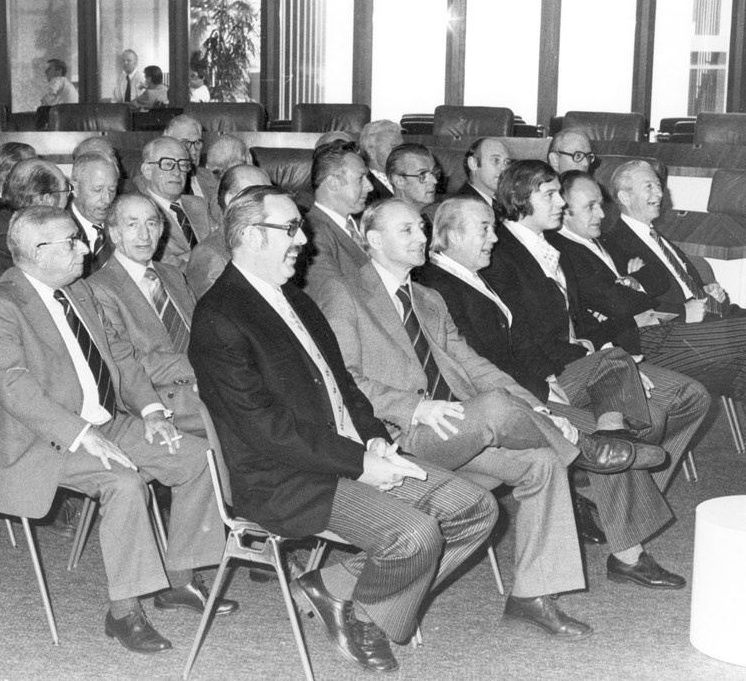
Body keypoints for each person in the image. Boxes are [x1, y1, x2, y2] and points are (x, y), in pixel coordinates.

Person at [188, 185, 497, 673]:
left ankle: (337, 590)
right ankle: (369, 618)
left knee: (476, 508)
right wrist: (359, 463)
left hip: (345, 451)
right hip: (284, 476)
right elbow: (265, 428)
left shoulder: (296, 298)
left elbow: (343, 384)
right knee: (415, 535)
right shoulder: (219, 316)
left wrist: (374, 436)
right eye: (290, 229)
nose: (303, 242)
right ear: (249, 235)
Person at [321, 197, 612, 639]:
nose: (421, 237)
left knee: (543, 462)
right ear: (373, 240)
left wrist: (536, 408)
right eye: (407, 231)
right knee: (497, 408)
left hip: (454, 427)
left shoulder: (428, 298)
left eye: (421, 228)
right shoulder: (345, 291)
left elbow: (474, 366)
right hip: (400, 434)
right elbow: (342, 376)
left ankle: (532, 594)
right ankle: (584, 449)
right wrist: (412, 406)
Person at [0, 205, 233, 654]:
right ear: (37, 251)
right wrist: (80, 432)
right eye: (72, 241)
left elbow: (121, 357)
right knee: (125, 483)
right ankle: (124, 610)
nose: (86, 248)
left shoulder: (78, 291)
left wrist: (151, 411)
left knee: (196, 458)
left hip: (108, 421)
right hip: (41, 439)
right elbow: (13, 387)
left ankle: (179, 577)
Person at [419, 196, 694, 588]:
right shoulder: (436, 287)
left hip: (534, 379)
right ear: (451, 235)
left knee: (614, 360)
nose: (494, 238)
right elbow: (473, 364)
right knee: (605, 439)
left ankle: (615, 435)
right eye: (484, 229)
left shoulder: (478, 275)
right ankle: (628, 555)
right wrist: (538, 387)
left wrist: (548, 373)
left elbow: (522, 339)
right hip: (501, 399)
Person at [484, 160, 711, 495]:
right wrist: (605, 360)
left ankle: (602, 490)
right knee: (647, 418)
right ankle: (611, 509)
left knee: (690, 397)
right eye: (551, 195)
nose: (560, 203)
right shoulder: (501, 253)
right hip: (551, 371)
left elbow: (582, 319)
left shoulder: (548, 247)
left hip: (588, 356)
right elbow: (520, 337)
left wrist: (608, 354)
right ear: (521, 198)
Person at [560, 163, 746, 404]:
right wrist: (639, 287)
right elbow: (619, 303)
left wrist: (636, 283)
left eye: (659, 185)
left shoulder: (628, 240)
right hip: (664, 331)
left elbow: (657, 277)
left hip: (701, 319)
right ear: (625, 197)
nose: (659, 193)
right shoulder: (610, 239)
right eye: (649, 186)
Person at [89, 194, 203, 435]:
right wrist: (207, 363)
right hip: (166, 402)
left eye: (151, 224)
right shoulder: (98, 289)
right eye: (132, 225)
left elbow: (203, 334)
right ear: (114, 233)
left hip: (208, 385)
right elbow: (129, 362)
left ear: (161, 229)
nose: (144, 235)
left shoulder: (172, 275)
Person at [0, 158, 71, 366]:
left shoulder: (18, 228)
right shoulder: (4, 247)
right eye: (66, 191)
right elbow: (21, 320)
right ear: (46, 200)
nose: (69, 199)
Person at [300, 140, 372, 305]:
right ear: (333, 183)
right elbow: (333, 298)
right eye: (361, 179)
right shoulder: (311, 233)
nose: (370, 187)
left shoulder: (366, 224)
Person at [186, 164, 270, 299]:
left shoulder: (271, 238)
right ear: (231, 200)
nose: (269, 202)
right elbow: (217, 315)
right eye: (258, 195)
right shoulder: (211, 254)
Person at [135, 137, 217, 271]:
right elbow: (167, 267)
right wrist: (210, 252)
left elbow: (223, 244)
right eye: (167, 164)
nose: (177, 172)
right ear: (147, 171)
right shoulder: (141, 213)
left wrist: (186, 256)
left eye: (183, 164)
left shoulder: (199, 204)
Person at [69, 152, 120, 277]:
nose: (107, 199)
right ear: (75, 188)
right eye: (98, 190)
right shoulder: (60, 229)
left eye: (112, 190)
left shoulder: (121, 223)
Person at [163, 115, 219, 213]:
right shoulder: (154, 183)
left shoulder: (212, 178)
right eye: (185, 143)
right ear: (166, 144)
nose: (193, 151)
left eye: (197, 143)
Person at [385, 143, 441, 216]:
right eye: (423, 175)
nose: (434, 181)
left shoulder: (439, 213)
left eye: (434, 173)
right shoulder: (386, 221)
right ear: (398, 181)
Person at [359, 119, 403, 204]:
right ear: (372, 151)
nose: (402, 153)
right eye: (394, 148)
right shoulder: (365, 188)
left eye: (403, 147)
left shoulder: (410, 176)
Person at [459, 137, 512, 205]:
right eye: (495, 160)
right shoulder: (463, 207)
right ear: (473, 164)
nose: (504, 168)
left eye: (507, 162)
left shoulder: (503, 202)